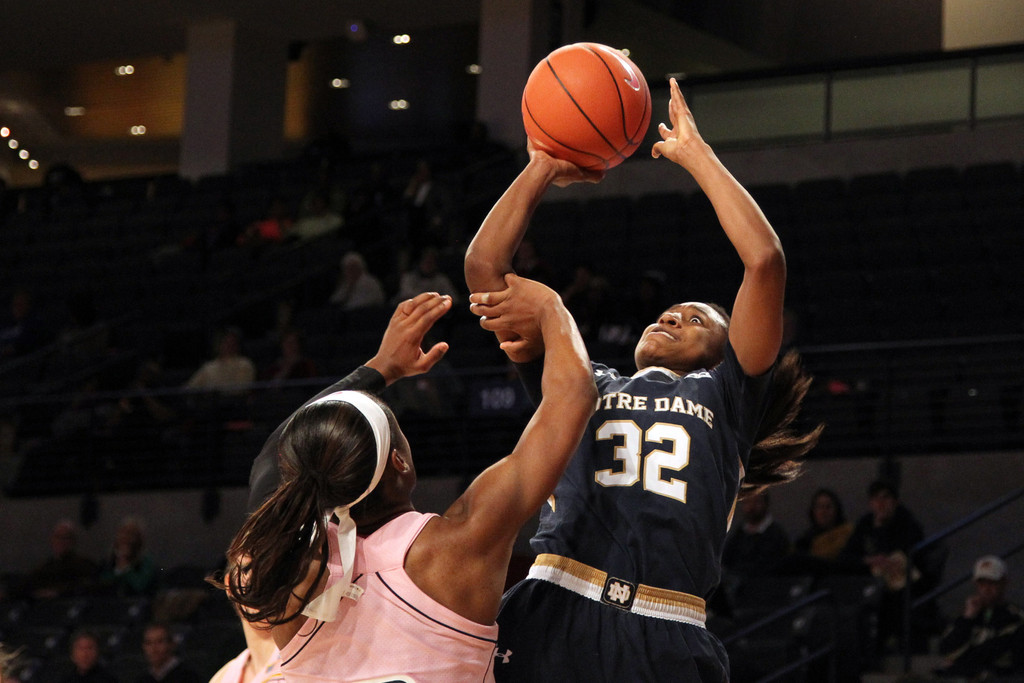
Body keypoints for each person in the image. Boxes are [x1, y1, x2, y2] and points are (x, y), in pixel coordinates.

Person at [464, 76, 822, 682]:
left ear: (724, 350)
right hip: (556, 603)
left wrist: (696, 155)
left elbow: (765, 261)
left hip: (667, 626)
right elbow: (484, 269)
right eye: (667, 310)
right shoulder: (584, 382)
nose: (673, 314)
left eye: (698, 317)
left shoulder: (728, 398)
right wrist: (541, 168)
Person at [225, 288, 595, 681]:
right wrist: (550, 305)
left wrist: (381, 367)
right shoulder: (459, 543)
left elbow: (271, 458)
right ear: (399, 461)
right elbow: (573, 395)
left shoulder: (285, 563)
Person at [837, 479, 935, 654]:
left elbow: (909, 558)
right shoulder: (865, 524)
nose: (881, 503)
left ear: (895, 501)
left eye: (885, 498)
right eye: (876, 499)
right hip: (870, 582)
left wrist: (882, 533)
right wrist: (868, 560)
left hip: (901, 587)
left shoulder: (908, 525)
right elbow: (846, 556)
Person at [935, 555, 1024, 680]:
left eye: (992, 583)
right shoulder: (969, 615)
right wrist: (967, 618)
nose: (986, 589)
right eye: (982, 583)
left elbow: (994, 654)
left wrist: (959, 662)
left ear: (1004, 583)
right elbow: (946, 649)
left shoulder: (1015, 617)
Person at [722, 491, 792, 580]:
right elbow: (726, 560)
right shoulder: (739, 532)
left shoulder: (776, 535)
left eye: (756, 502)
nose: (751, 506)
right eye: (747, 502)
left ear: (765, 503)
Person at [25, 519, 99, 599]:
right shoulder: (45, 567)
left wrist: (58, 592)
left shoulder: (84, 565)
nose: (61, 542)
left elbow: (86, 586)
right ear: (52, 539)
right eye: (58, 537)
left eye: (66, 538)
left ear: (73, 541)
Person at [792, 487, 855, 569]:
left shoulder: (848, 533)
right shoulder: (805, 540)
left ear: (836, 509)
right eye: (819, 507)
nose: (823, 512)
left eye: (828, 507)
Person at [184, 328, 256, 397]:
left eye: (231, 342)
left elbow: (241, 390)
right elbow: (190, 387)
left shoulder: (244, 364)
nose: (228, 345)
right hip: (209, 405)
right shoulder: (209, 366)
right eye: (225, 341)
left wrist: (217, 393)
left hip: (235, 405)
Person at [97, 518, 159, 597]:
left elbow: (140, 586)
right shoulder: (108, 562)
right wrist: (118, 569)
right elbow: (102, 584)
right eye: (122, 533)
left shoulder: (146, 562)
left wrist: (126, 567)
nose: (125, 538)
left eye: (130, 534)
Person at [136, 623, 201, 683]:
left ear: (172, 645)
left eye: (160, 642)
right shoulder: (143, 679)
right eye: (149, 643)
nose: (154, 648)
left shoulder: (188, 677)